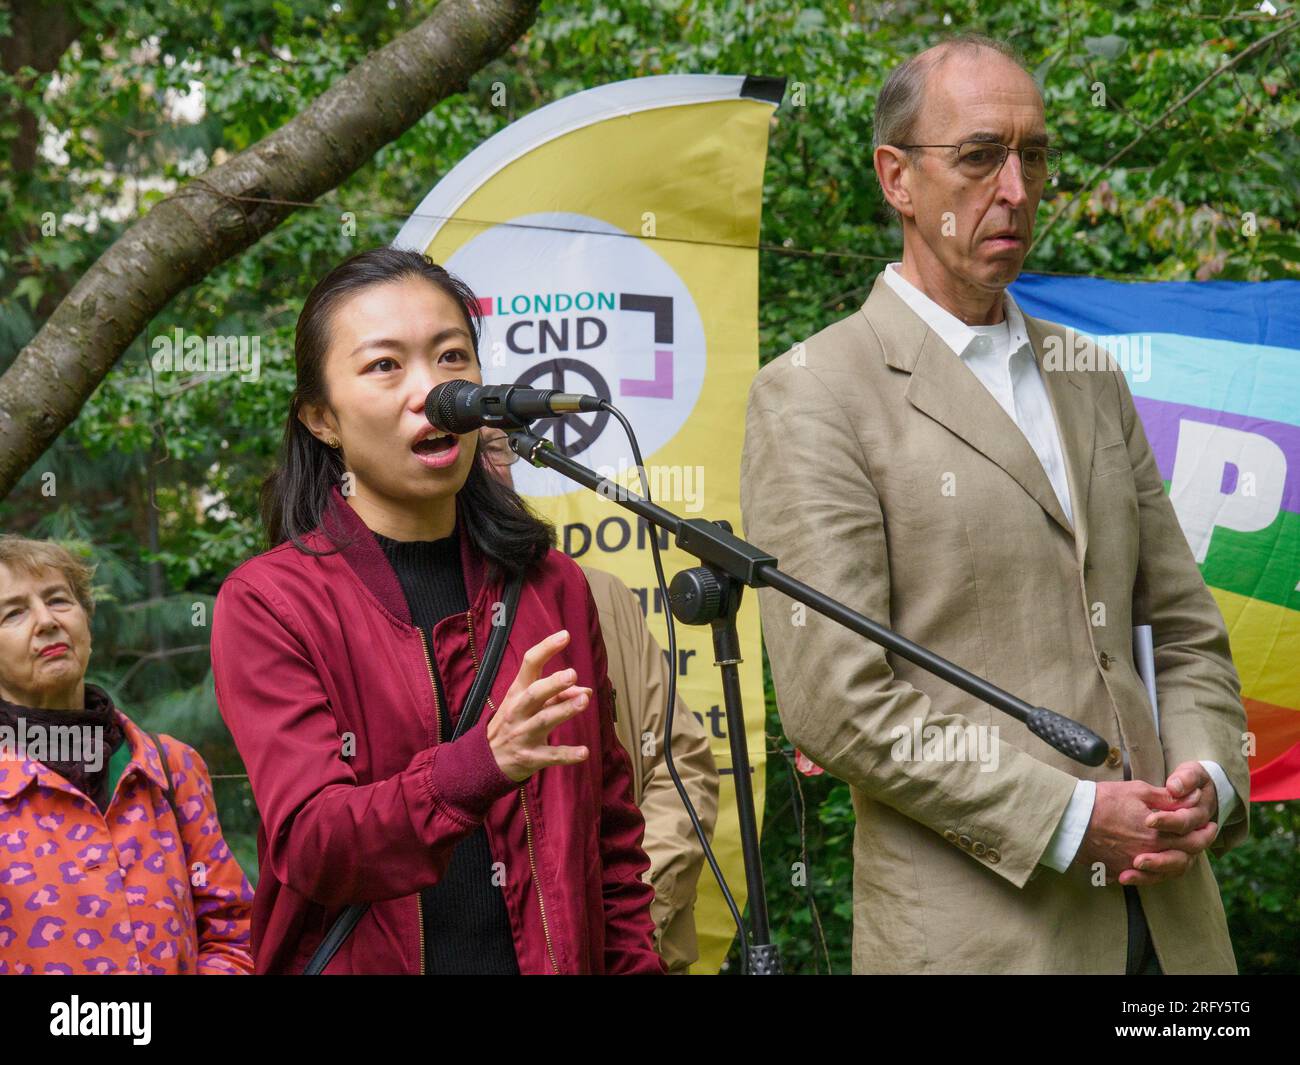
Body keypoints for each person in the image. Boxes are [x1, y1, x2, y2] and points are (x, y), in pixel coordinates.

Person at [740, 34, 1249, 974]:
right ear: (897, 178)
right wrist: (1063, 818)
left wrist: (1208, 779)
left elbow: (1181, 627)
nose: (1016, 188)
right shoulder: (814, 391)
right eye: (979, 157)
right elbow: (837, 704)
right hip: (985, 939)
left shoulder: (1087, 373)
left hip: (1179, 933)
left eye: (1036, 155)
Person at [210, 247, 662, 974]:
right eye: (385, 365)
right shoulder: (269, 603)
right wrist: (479, 765)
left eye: (452, 357)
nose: (431, 388)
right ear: (322, 418)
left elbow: (610, 845)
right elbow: (314, 845)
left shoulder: (553, 587)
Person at [480, 426, 719, 973]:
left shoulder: (596, 595)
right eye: (464, 448)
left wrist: (622, 923)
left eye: (496, 449)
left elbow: (681, 771)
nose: (486, 468)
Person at [0, 535, 254, 975]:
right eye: (14, 612)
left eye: (59, 600)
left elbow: (232, 929)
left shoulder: (171, 767)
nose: (46, 621)